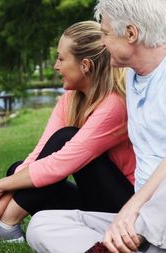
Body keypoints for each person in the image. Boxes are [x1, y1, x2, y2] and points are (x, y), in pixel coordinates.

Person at [0, 20, 136, 244]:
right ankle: (7, 229)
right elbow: (40, 154)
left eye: (61, 58)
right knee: (19, 169)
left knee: (65, 138)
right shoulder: (70, 99)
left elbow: (60, 163)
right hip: (93, 200)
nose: (56, 66)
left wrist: (2, 187)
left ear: (85, 65)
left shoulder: (114, 106)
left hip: (126, 204)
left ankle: (7, 226)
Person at [26, 0, 166, 252]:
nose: (101, 43)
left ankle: (135, 239)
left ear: (131, 33)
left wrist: (132, 208)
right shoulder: (133, 75)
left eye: (106, 34)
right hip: (135, 219)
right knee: (40, 224)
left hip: (152, 214)